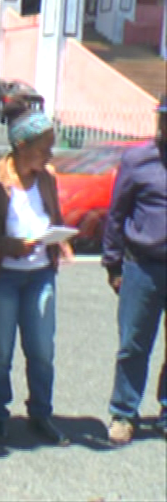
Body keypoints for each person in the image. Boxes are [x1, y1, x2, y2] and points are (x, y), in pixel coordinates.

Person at [0, 109, 73, 447]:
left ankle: (41, 413)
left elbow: (53, 217)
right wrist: (11, 246)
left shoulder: (46, 178)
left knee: (42, 349)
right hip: (3, 276)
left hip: (40, 274)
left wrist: (60, 240)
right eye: (44, 147)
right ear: (21, 146)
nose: (50, 154)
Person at [103, 94, 167, 445]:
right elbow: (116, 215)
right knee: (133, 344)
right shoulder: (138, 160)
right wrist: (113, 265)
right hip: (142, 267)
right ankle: (124, 412)